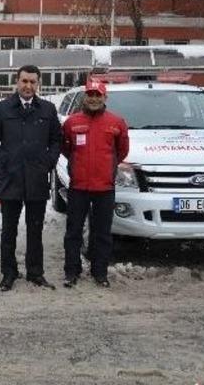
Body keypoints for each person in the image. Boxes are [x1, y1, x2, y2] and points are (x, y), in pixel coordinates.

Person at [0, 64, 62, 291]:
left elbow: (56, 140)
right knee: (8, 230)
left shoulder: (47, 110)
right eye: (24, 81)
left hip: (37, 179)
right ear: (17, 82)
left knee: (35, 230)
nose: (28, 86)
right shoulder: (1, 109)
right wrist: (5, 161)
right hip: (11, 180)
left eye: (32, 82)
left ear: (38, 84)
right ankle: (8, 273)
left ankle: (35, 273)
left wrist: (48, 162)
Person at [61, 78, 129, 288]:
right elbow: (66, 148)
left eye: (97, 95)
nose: (93, 98)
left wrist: (108, 167)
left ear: (104, 97)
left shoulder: (116, 122)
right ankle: (72, 272)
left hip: (104, 187)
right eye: (90, 94)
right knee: (73, 232)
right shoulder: (72, 122)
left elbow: (122, 151)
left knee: (102, 233)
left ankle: (100, 273)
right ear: (85, 96)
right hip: (78, 187)